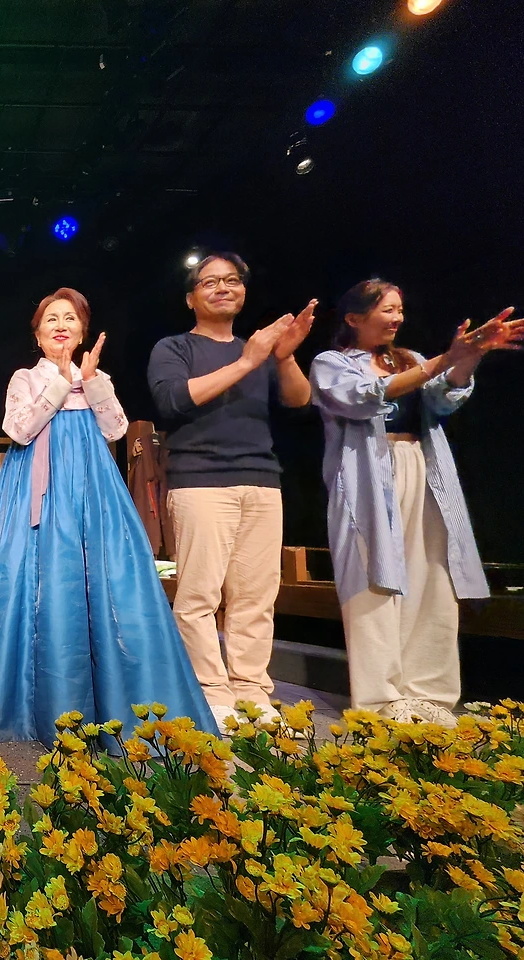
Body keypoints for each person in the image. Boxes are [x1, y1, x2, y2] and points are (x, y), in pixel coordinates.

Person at [0, 288, 217, 744]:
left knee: (102, 578)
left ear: (82, 332)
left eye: (70, 318)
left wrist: (92, 382)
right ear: (38, 335)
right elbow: (18, 429)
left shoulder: (97, 377)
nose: (61, 325)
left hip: (91, 493)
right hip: (39, 494)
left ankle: (112, 697)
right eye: (51, 319)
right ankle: (39, 700)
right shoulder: (26, 378)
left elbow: (116, 429)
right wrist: (60, 383)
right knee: (40, 578)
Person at [310, 281, 523, 725]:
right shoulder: (332, 363)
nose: (397, 318)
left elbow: (444, 398)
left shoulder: (410, 358)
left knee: (431, 575)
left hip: (420, 464)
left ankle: (427, 692)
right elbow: (364, 397)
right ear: (354, 318)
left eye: (400, 310)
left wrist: (470, 356)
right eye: (386, 309)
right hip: (367, 476)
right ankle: (381, 699)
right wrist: (446, 359)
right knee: (372, 581)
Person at [147, 253, 317, 729]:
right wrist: (248, 361)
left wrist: (284, 357)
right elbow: (173, 400)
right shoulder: (175, 347)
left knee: (255, 597)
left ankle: (251, 690)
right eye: (210, 282)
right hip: (200, 480)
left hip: (261, 479)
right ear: (191, 297)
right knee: (199, 596)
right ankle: (210, 692)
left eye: (232, 280)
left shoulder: (259, 351)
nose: (223, 288)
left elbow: (300, 402)